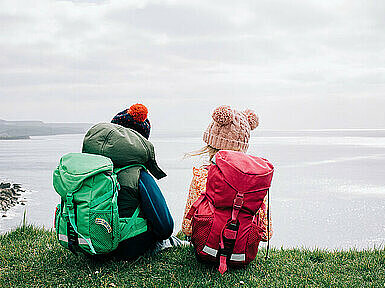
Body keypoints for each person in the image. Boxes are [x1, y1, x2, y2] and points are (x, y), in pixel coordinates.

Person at [83, 103, 184, 260]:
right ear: (140, 143)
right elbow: (165, 227)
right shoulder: (140, 176)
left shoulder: (87, 169)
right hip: (126, 248)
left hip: (88, 243)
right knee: (167, 238)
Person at [181, 105, 271, 240]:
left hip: (206, 248)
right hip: (243, 252)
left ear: (211, 144)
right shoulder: (256, 180)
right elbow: (266, 234)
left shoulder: (201, 176)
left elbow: (187, 228)